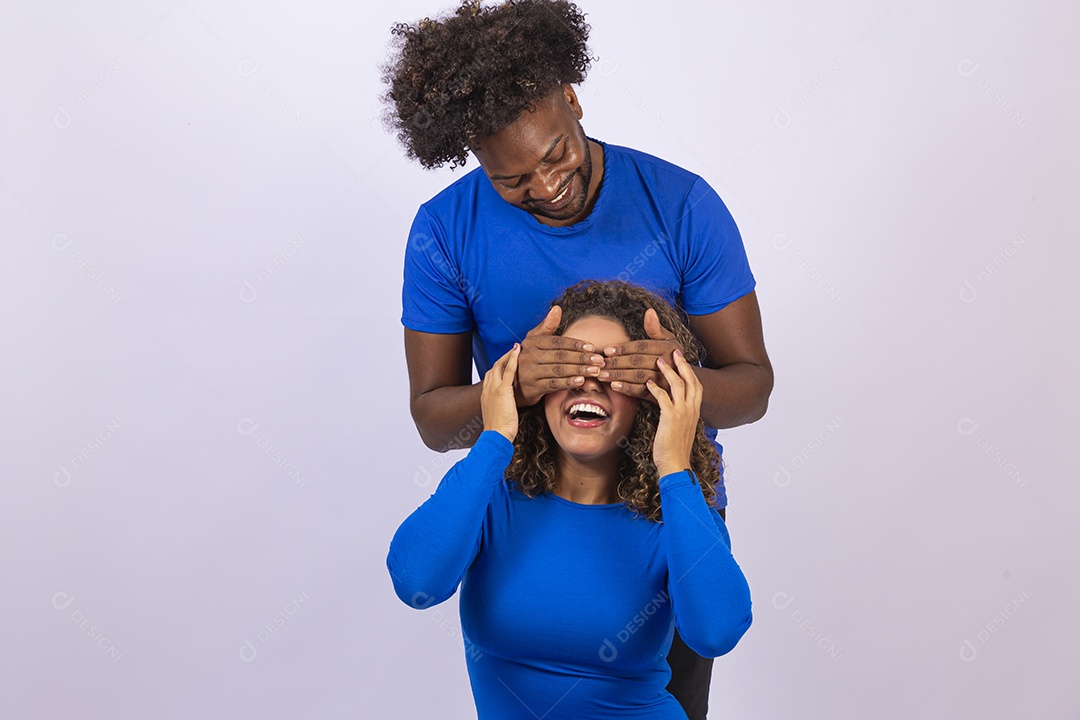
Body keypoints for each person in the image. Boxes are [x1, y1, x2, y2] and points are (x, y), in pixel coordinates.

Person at [381, 1, 773, 715]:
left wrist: (668, 388)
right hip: (528, 513)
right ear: (473, 156)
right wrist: (508, 389)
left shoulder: (682, 206)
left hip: (665, 516)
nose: (544, 185)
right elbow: (435, 419)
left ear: (572, 97)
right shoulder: (444, 231)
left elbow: (752, 386)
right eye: (512, 180)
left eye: (555, 152)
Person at [387, 280, 752, 719]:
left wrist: (674, 465)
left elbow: (716, 632)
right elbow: (416, 584)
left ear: (648, 400)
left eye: (616, 372)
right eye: (569, 366)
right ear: (539, 386)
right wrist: (495, 435)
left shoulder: (671, 513)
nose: (590, 383)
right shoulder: (490, 495)